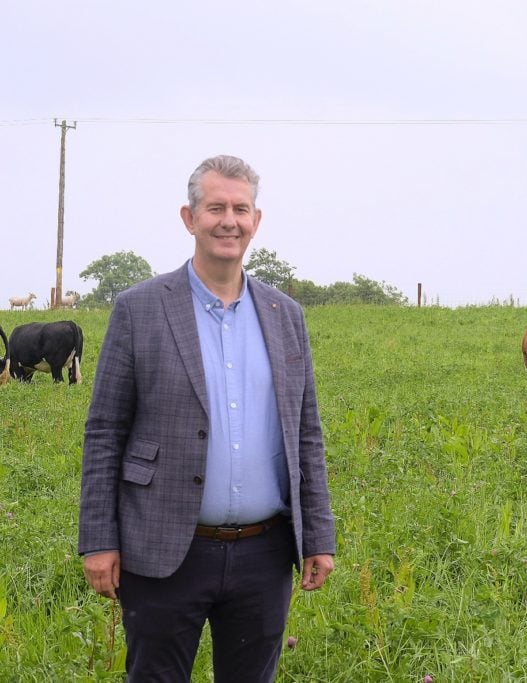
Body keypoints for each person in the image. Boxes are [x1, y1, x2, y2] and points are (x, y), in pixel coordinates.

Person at [79, 154, 336, 681]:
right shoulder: (140, 308)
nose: (229, 220)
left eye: (241, 209)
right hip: (165, 547)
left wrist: (319, 536)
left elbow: (305, 433)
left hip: (264, 554)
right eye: (215, 207)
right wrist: (98, 538)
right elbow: (105, 431)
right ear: (189, 217)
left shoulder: (287, 315)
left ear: (256, 220)